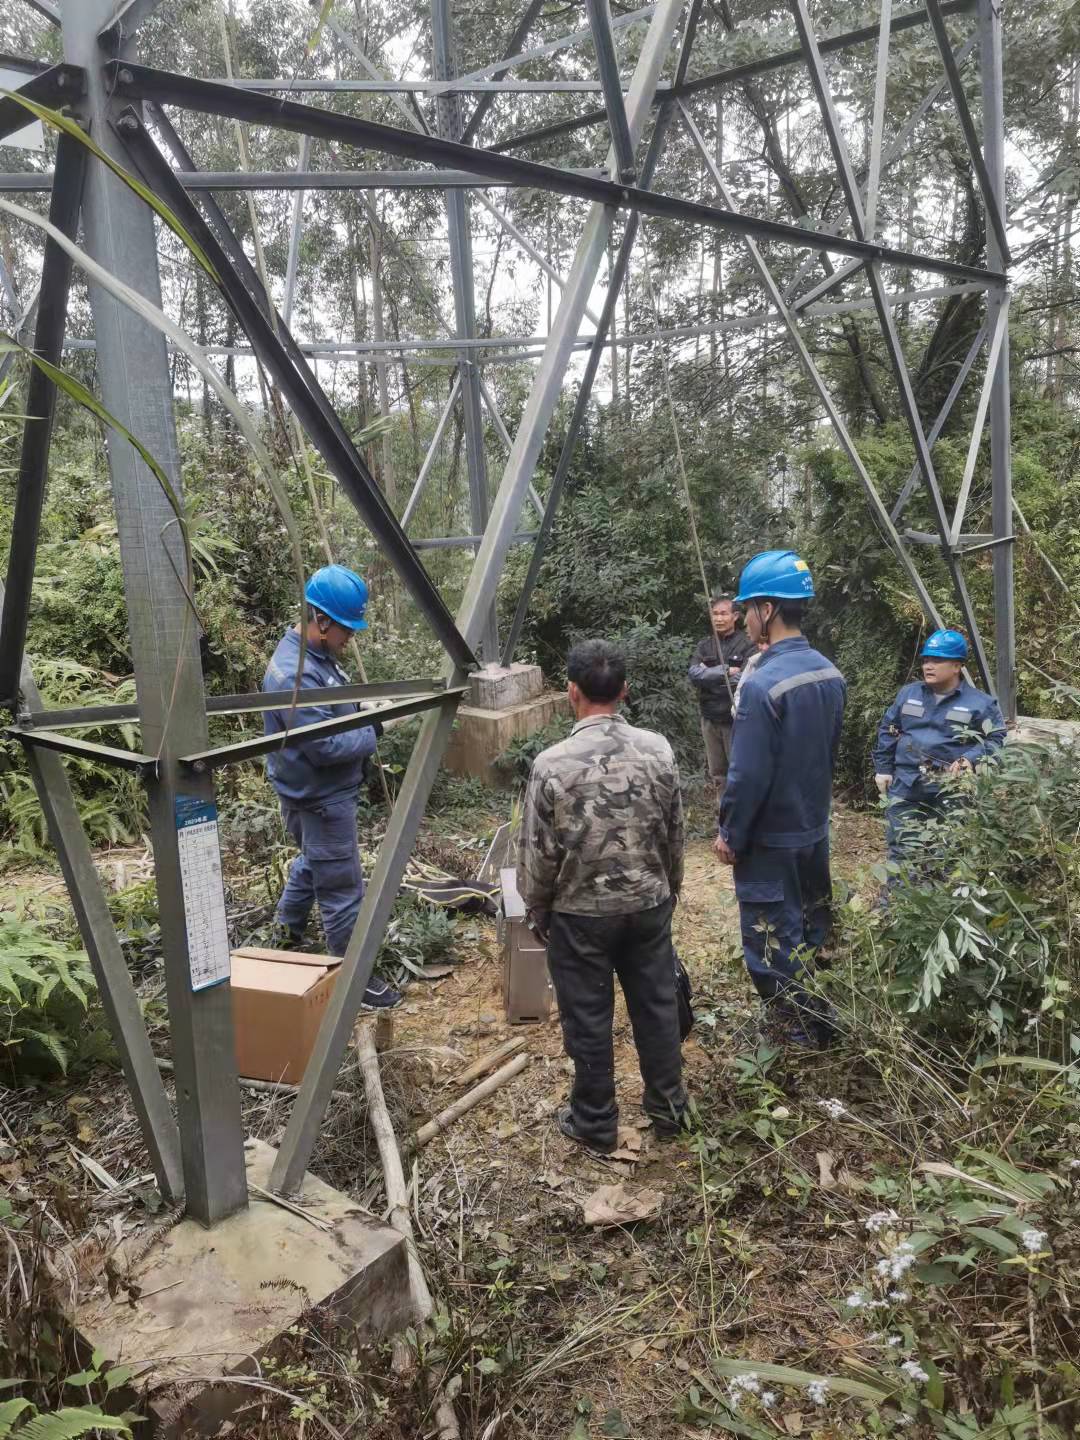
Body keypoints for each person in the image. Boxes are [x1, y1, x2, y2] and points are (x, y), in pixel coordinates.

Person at [517, 639, 687, 1153]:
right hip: (648, 903)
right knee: (657, 1007)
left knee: (588, 1017)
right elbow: (674, 831)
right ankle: (670, 1110)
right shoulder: (658, 749)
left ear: (571, 691)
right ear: (624, 690)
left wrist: (537, 907)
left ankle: (594, 1121)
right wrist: (670, 888)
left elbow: (538, 851)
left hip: (580, 915)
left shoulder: (551, 764)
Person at [712, 551, 846, 1047]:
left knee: (772, 941)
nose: (743, 618)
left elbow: (746, 774)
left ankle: (798, 1037)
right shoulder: (829, 673)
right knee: (811, 928)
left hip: (770, 839)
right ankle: (823, 1022)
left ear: (766, 610)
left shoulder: (763, 684)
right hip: (812, 828)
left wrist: (731, 834)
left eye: (747, 608)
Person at [263, 563, 400, 1009]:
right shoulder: (295, 674)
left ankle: (286, 934)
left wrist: (361, 710)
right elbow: (325, 746)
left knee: (312, 862)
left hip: (313, 794)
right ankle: (353, 981)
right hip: (320, 798)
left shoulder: (317, 660)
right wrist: (376, 727)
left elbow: (332, 716)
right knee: (342, 890)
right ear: (321, 621)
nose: (350, 638)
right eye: (347, 629)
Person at [872, 629, 1006, 865]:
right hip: (906, 785)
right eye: (926, 660)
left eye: (937, 660)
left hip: (950, 790)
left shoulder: (980, 703)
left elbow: (995, 739)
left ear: (957, 666)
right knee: (901, 850)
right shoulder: (909, 693)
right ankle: (900, 891)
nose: (928, 666)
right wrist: (883, 769)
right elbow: (889, 729)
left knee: (947, 854)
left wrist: (970, 758)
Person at [688, 595, 754, 795]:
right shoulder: (705, 645)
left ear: (735, 616)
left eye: (723, 613)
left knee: (740, 772)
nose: (718, 618)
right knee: (717, 774)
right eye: (715, 614)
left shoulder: (747, 644)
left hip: (734, 719)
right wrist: (726, 670)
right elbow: (694, 674)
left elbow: (744, 678)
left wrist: (709, 674)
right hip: (709, 718)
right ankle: (723, 811)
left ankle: (743, 812)